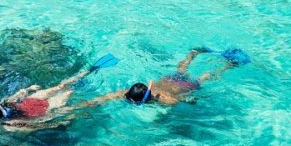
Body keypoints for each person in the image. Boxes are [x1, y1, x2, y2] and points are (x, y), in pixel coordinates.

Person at [74, 47, 248, 111]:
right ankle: (192, 54)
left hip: (184, 85)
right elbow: (100, 99)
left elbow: (186, 100)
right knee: (181, 69)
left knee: (205, 78)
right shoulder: (130, 92)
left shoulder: (166, 100)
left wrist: (194, 100)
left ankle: (228, 66)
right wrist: (79, 106)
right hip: (171, 80)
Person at [0, 53, 119, 128]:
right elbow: (14, 97)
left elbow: (35, 125)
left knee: (67, 92)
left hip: (42, 110)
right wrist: (28, 89)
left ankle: (85, 80)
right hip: (33, 100)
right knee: (61, 87)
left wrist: (57, 123)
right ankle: (88, 71)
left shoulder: (10, 126)